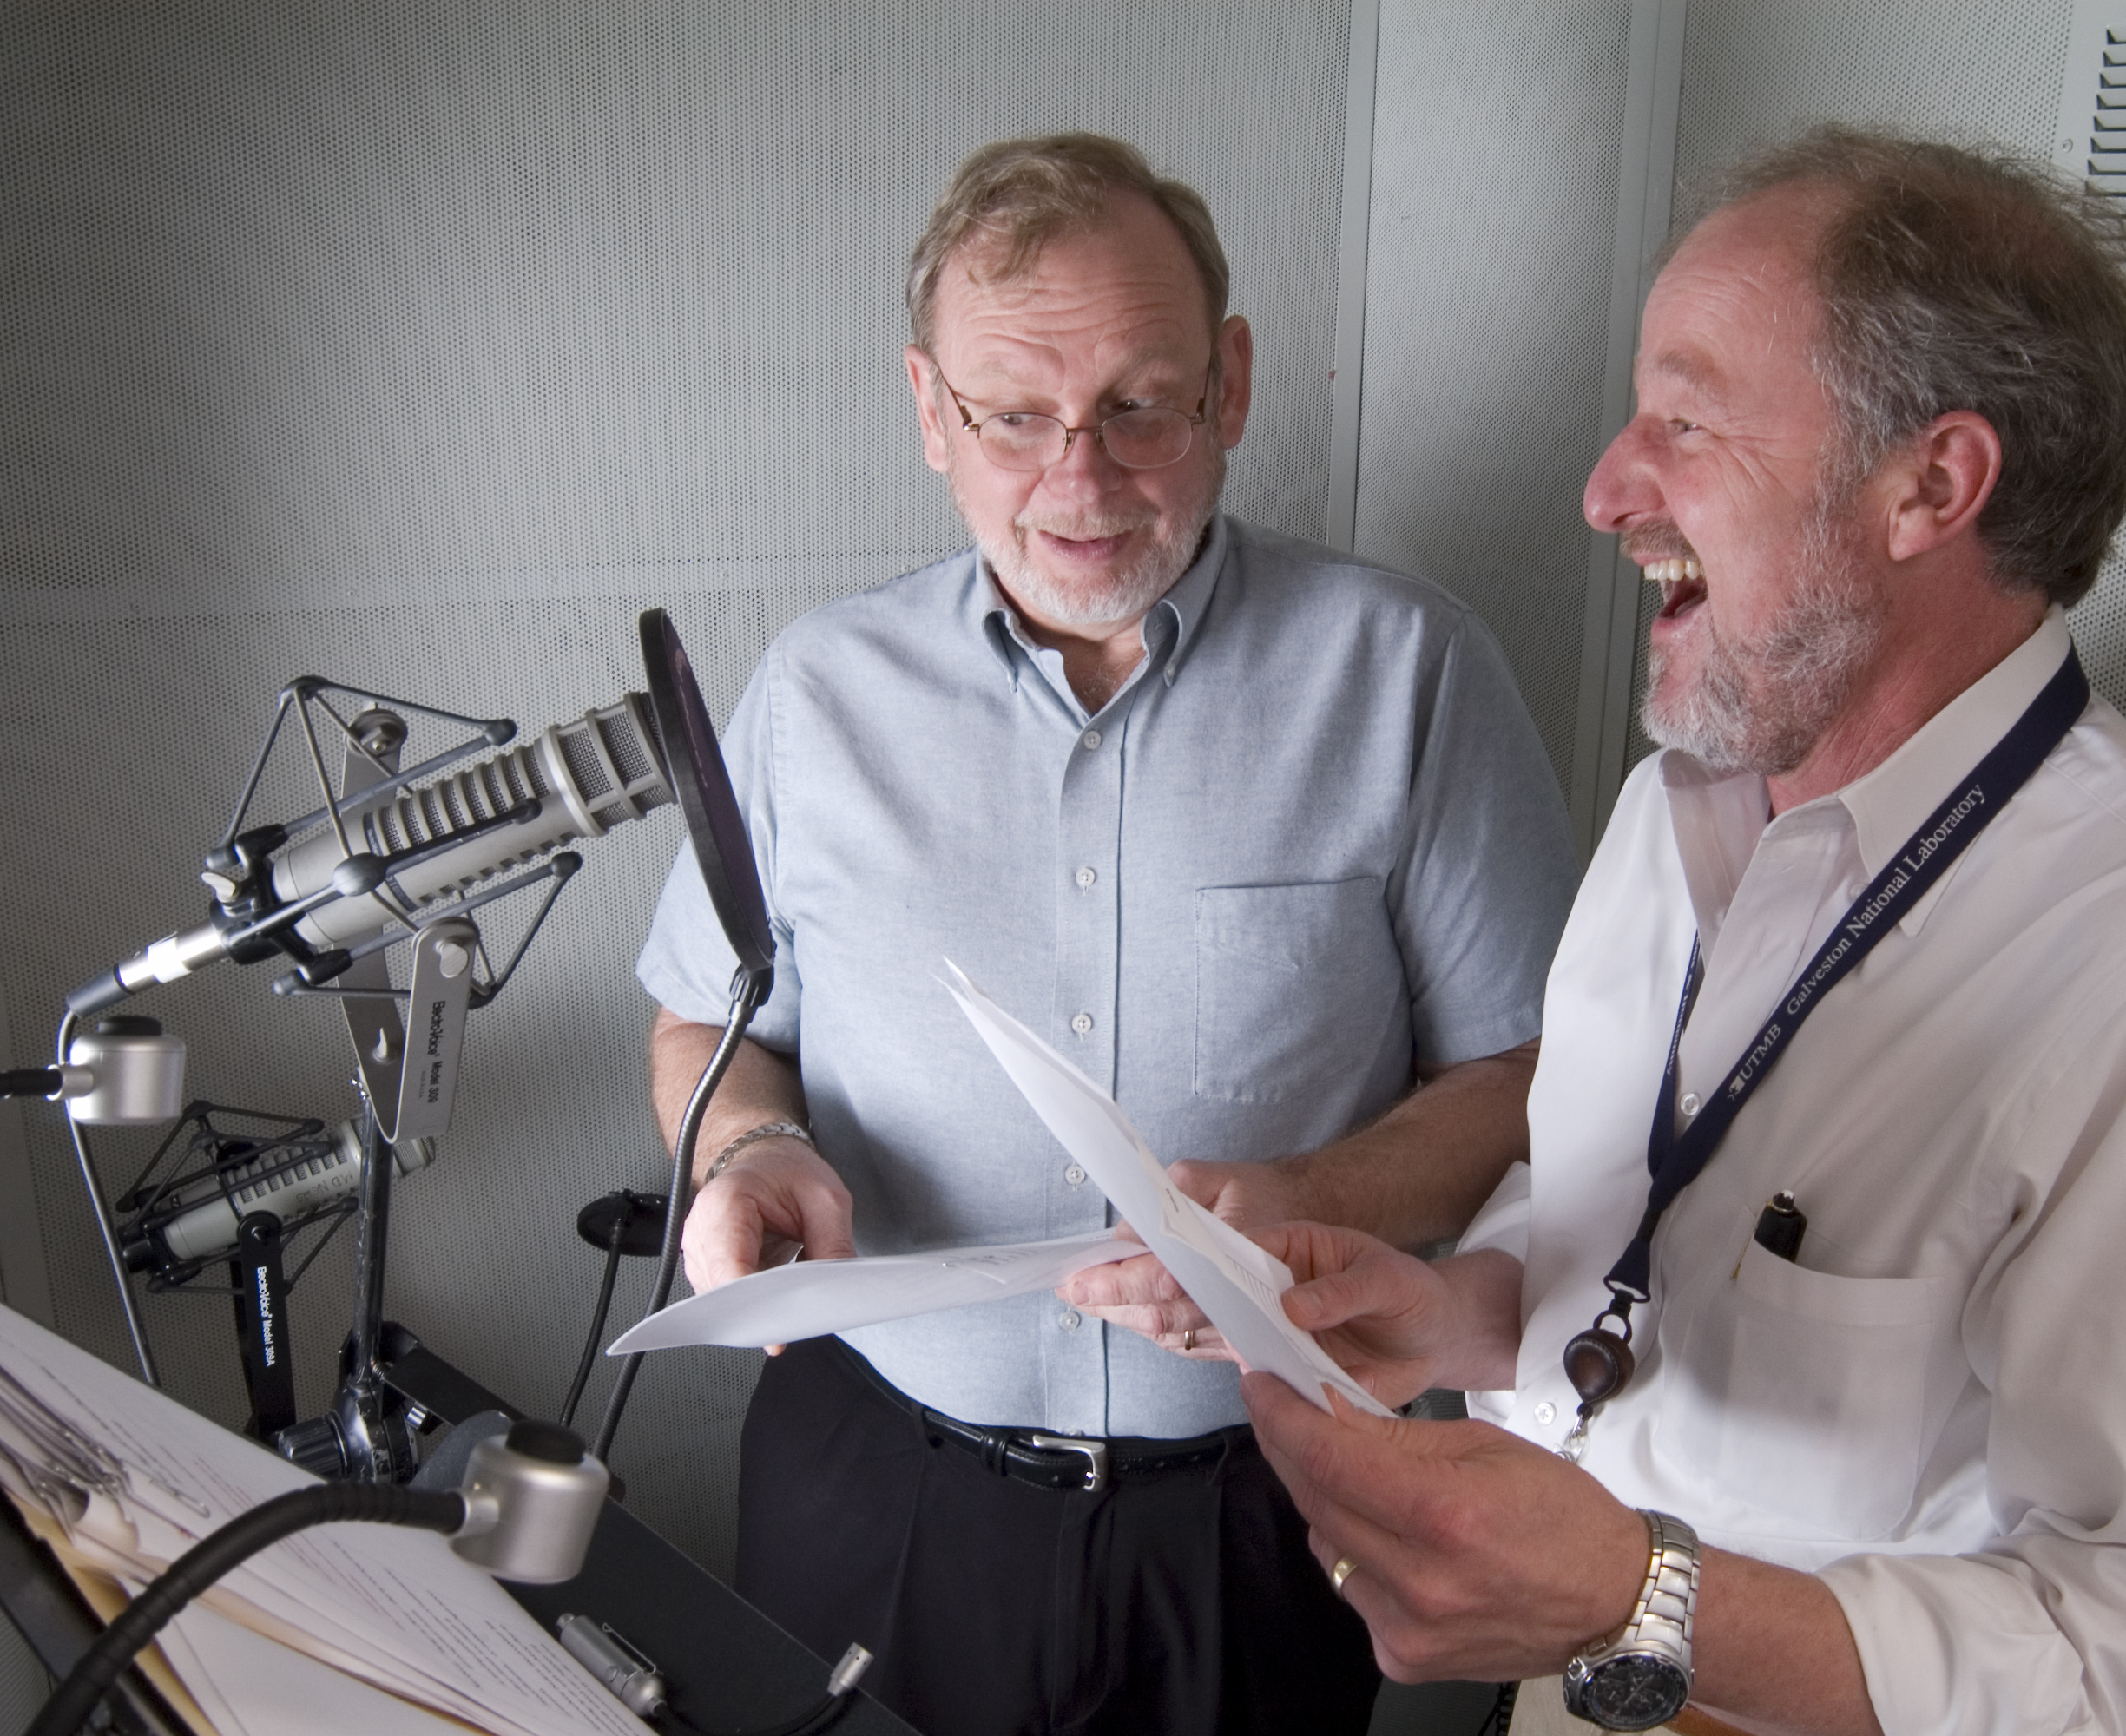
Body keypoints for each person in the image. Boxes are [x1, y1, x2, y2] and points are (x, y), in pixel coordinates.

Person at [1205, 127, 2126, 1735]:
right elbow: (1646, 1241)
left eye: (1686, 421)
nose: (1604, 487)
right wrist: (1459, 1309)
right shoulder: (1675, 819)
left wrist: (1636, 1596)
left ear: (1932, 483)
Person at [633, 132, 1576, 1736]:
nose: (1079, 478)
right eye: (1013, 415)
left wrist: (1314, 1202)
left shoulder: (1408, 670)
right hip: (880, 1476)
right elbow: (703, 1030)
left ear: (1230, 383)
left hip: (1264, 1503)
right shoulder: (813, 695)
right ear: (929, 410)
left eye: (1138, 403)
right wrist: (738, 1156)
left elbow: (1534, 1072)